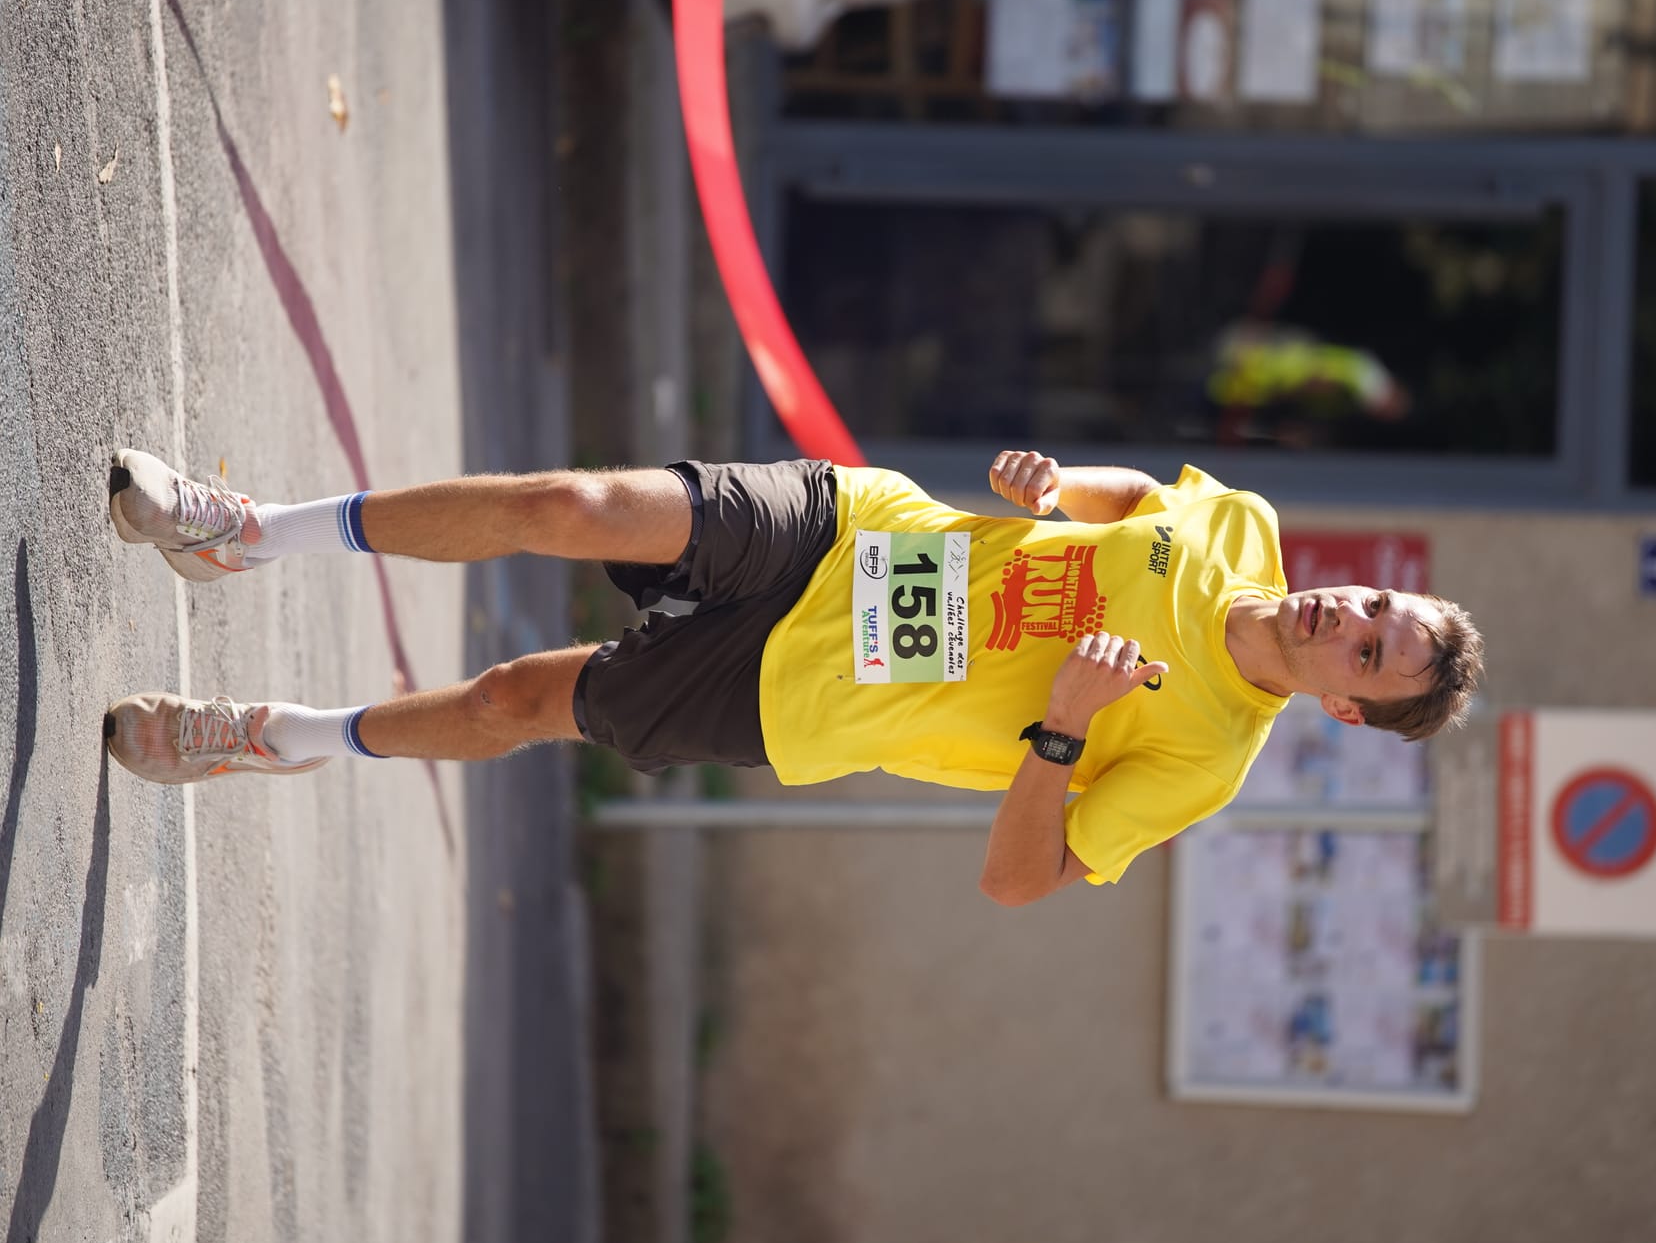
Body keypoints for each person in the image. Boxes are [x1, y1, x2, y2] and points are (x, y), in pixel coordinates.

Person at [103, 447, 1483, 905]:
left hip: (803, 696)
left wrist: (1063, 732)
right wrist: (1060, 486)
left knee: (512, 701)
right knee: (572, 505)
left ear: (1344, 703)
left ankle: (270, 736)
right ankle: (246, 532)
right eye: (1379, 602)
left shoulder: (1205, 759)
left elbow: (1020, 880)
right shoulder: (1243, 523)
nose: (1350, 615)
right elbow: (1137, 503)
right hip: (858, 534)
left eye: (1369, 649)